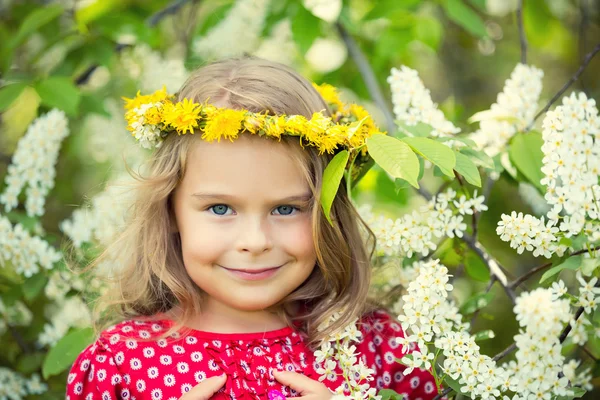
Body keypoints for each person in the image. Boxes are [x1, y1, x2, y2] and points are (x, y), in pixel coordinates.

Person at [66, 57, 438, 400]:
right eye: (221, 208)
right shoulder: (122, 364)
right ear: (170, 211)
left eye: (286, 208)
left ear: (327, 213)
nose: (255, 242)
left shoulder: (379, 351)